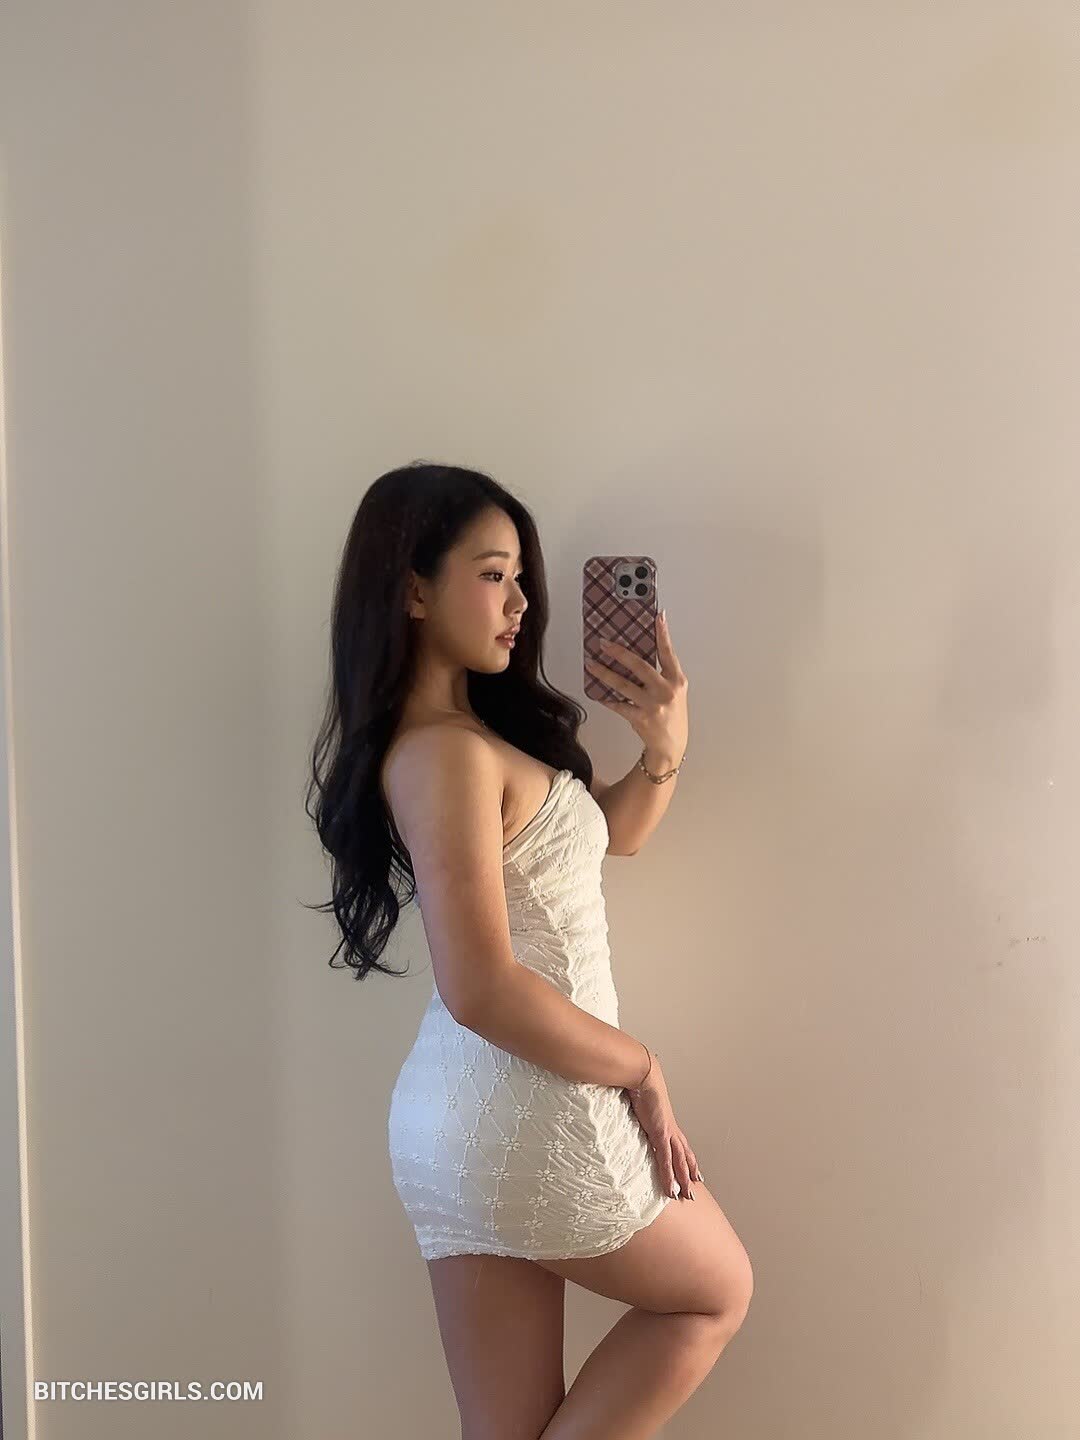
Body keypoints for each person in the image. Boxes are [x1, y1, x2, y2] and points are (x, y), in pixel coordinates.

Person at [306, 462, 753, 1439]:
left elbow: (609, 838)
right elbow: (481, 986)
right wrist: (640, 1067)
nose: (519, 604)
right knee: (714, 1293)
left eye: (520, 579)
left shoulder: (461, 740)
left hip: (461, 1122)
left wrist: (662, 748)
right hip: (533, 1102)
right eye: (492, 575)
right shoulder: (444, 753)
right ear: (413, 590)